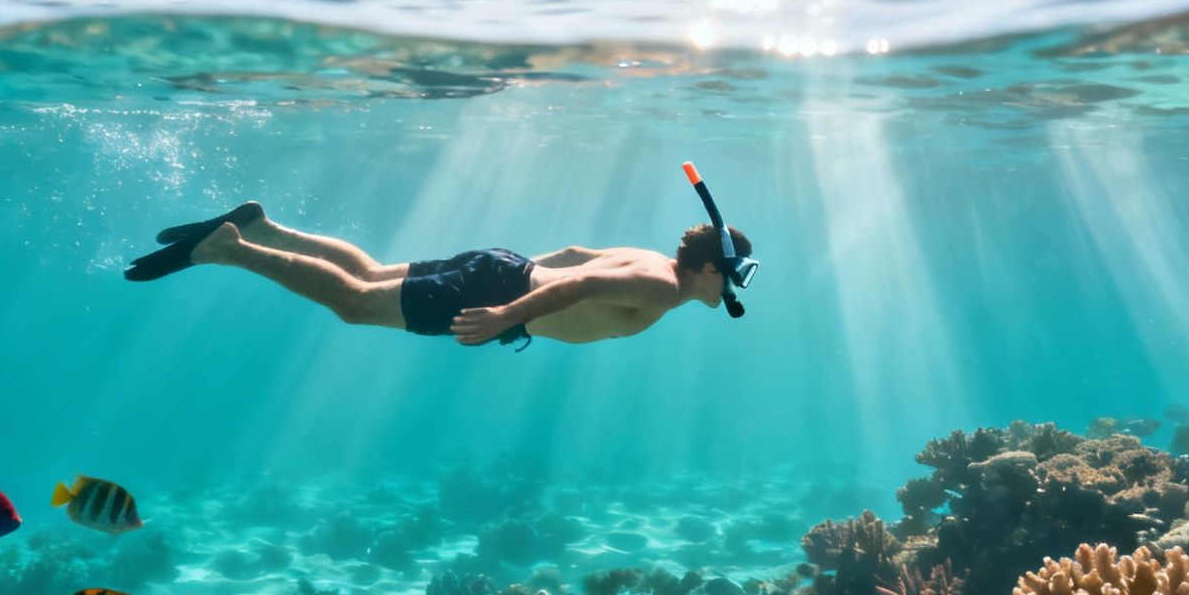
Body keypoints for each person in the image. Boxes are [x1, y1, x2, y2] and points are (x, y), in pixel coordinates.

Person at [123, 202, 753, 347]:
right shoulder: (664, 288)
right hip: (498, 291)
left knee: (368, 272)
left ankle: (266, 227)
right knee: (354, 301)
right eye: (735, 276)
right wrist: (509, 313)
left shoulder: (649, 257)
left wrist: (518, 280)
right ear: (705, 269)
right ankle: (230, 248)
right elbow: (584, 285)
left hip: (505, 265)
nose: (735, 289)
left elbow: (573, 253)